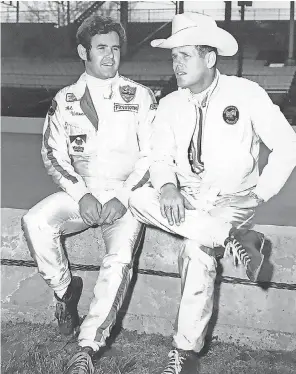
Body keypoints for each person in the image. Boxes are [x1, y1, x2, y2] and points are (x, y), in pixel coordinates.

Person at [129, 12, 296, 374]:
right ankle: (237, 240)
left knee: (195, 249)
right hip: (188, 198)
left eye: (184, 55)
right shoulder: (170, 104)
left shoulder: (245, 93)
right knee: (138, 198)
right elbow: (158, 157)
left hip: (232, 200)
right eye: (173, 56)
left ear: (209, 57)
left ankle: (185, 353)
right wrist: (168, 186)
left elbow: (287, 144)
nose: (176, 64)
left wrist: (261, 193)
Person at [21, 15, 156, 374]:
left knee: (119, 259)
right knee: (34, 221)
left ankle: (87, 345)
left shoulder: (140, 96)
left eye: (115, 48)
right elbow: (53, 153)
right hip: (83, 195)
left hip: (126, 199)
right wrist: (81, 194)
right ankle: (66, 292)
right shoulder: (65, 99)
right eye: (101, 49)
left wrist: (123, 197)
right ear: (84, 51)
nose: (110, 56)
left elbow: (153, 155)